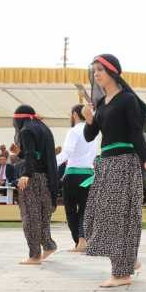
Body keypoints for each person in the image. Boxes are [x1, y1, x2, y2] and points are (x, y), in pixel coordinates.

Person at [82, 54, 146, 288]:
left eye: (100, 70)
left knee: (118, 218)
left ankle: (121, 273)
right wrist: (88, 119)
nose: (96, 74)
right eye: (94, 70)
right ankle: (129, 260)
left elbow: (137, 133)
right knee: (97, 217)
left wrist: (145, 161)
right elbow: (91, 136)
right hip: (105, 164)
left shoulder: (127, 100)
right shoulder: (102, 103)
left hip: (124, 163)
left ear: (112, 72)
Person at [12, 105, 59, 266]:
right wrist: (19, 152)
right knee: (42, 215)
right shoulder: (42, 127)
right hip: (46, 178)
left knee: (30, 217)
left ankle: (34, 255)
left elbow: (31, 155)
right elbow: (39, 153)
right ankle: (48, 245)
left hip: (32, 178)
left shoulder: (26, 130)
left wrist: (26, 174)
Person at [56, 104, 98, 252]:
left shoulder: (73, 131)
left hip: (73, 175)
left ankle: (79, 242)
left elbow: (66, 152)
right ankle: (83, 240)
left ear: (74, 114)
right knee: (85, 210)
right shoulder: (93, 132)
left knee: (71, 210)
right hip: (89, 176)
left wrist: (49, 164)